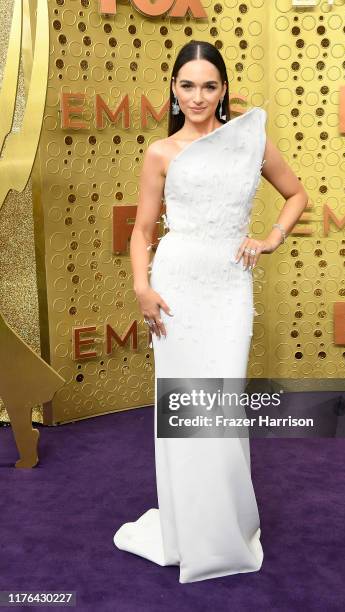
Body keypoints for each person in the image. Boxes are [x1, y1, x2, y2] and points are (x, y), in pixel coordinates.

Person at [113, 40, 309, 583]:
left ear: (224, 90)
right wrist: (142, 287)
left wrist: (269, 239)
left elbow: (296, 195)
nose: (197, 96)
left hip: (228, 286)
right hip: (175, 286)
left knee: (219, 406)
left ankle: (224, 530)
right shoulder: (160, 152)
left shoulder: (250, 141)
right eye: (187, 85)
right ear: (173, 90)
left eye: (209, 85)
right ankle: (187, 527)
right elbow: (143, 231)